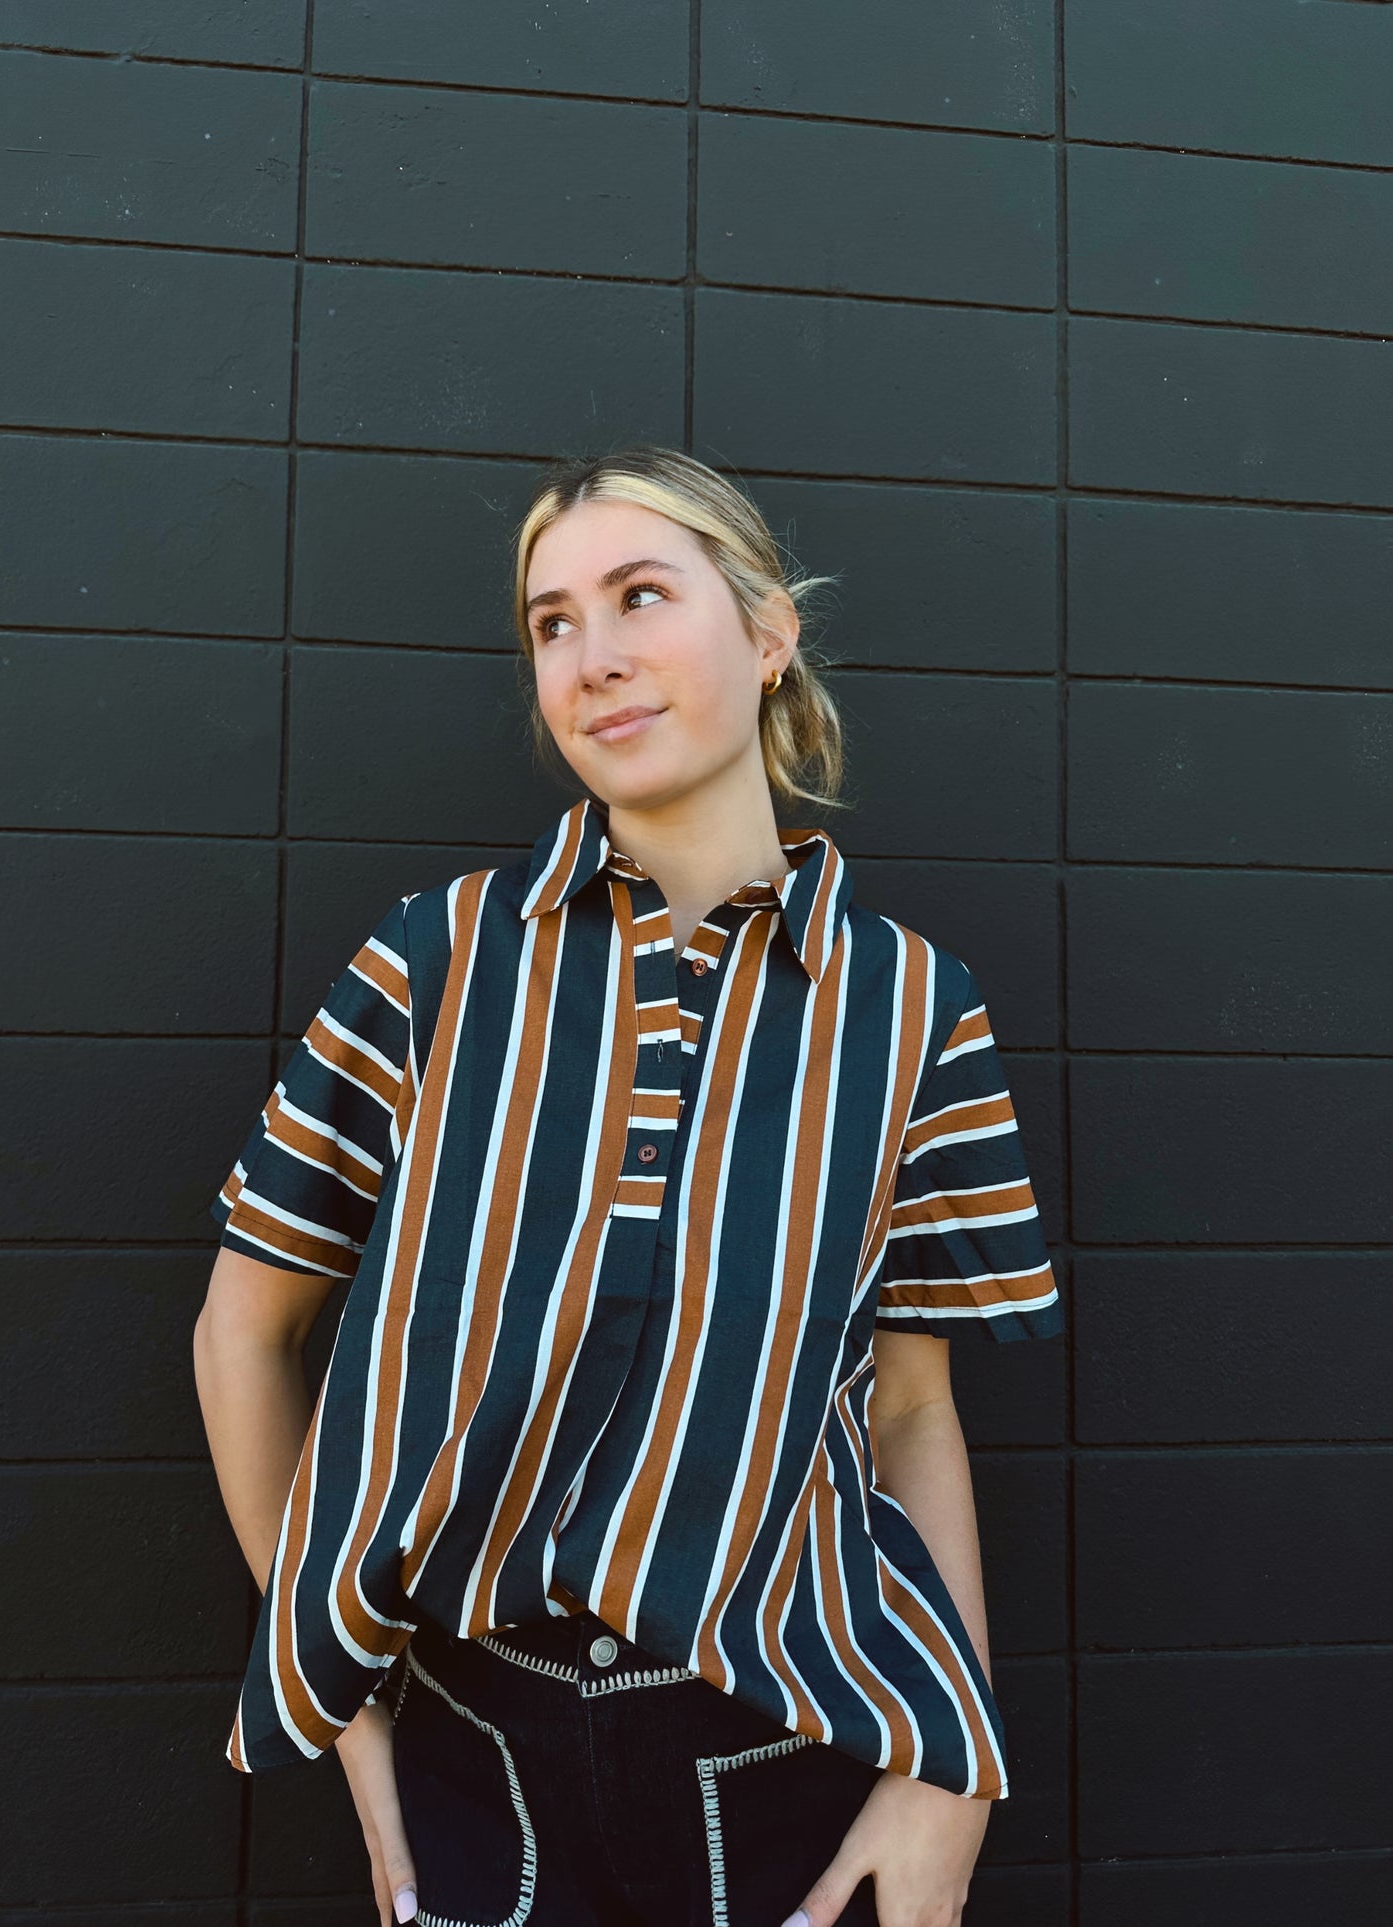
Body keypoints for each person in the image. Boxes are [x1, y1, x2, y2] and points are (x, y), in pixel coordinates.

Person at [194, 444, 1064, 1927]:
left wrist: (950, 1777)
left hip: (790, 1747)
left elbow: (910, 1411)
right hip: (478, 1756)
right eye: (550, 622)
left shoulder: (913, 1006)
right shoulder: (433, 962)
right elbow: (242, 1333)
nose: (591, 658)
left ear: (768, 632)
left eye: (638, 596)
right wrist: (345, 1704)